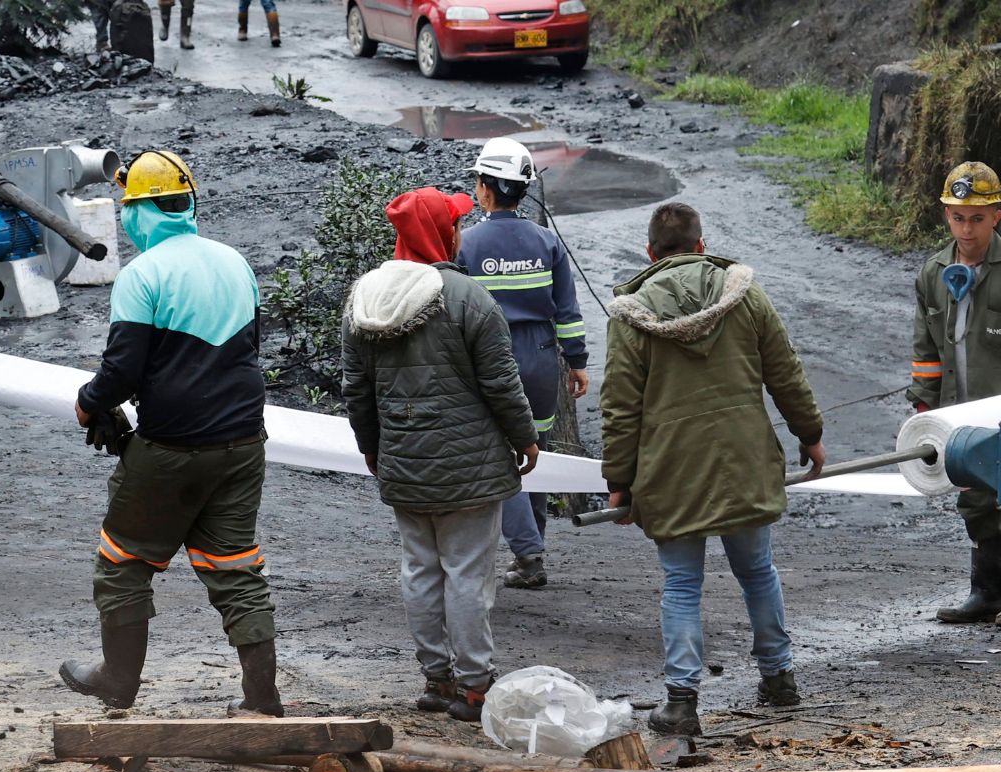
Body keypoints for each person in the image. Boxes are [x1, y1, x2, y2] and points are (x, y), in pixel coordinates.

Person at [62, 150, 281, 716]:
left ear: (140, 211)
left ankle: (117, 679)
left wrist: (91, 405)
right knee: (236, 568)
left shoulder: (143, 274)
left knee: (122, 563)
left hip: (171, 448)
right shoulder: (235, 262)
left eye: (128, 206)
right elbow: (248, 350)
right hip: (242, 443)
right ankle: (261, 698)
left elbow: (122, 370)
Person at [599, 202, 824, 735]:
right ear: (701, 246)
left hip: (671, 471)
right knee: (757, 571)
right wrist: (809, 434)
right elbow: (784, 370)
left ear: (651, 254)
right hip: (744, 458)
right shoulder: (744, 296)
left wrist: (618, 482)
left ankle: (681, 701)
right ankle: (779, 678)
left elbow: (620, 407)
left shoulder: (632, 314)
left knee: (681, 583)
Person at [342, 187, 539, 723]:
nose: (458, 230)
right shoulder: (467, 297)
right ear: (443, 233)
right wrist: (524, 437)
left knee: (420, 571)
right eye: (453, 222)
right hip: (469, 467)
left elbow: (355, 389)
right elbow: (502, 382)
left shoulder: (365, 299)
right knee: (468, 574)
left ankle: (436, 680)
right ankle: (475, 687)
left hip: (404, 462)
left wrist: (371, 447)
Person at [909, 162, 1001, 629]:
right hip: (959, 415)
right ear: (946, 217)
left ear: (997, 215)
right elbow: (926, 352)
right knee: (974, 500)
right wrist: (924, 409)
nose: (967, 228)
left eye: (977, 218)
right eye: (958, 217)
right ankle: (986, 591)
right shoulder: (934, 273)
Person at [457, 137, 588, 589]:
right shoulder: (547, 242)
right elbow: (567, 311)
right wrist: (578, 362)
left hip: (490, 359)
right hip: (540, 361)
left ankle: (528, 554)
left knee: (500, 457)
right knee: (535, 452)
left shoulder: (468, 244)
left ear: (487, 190)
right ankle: (533, 550)